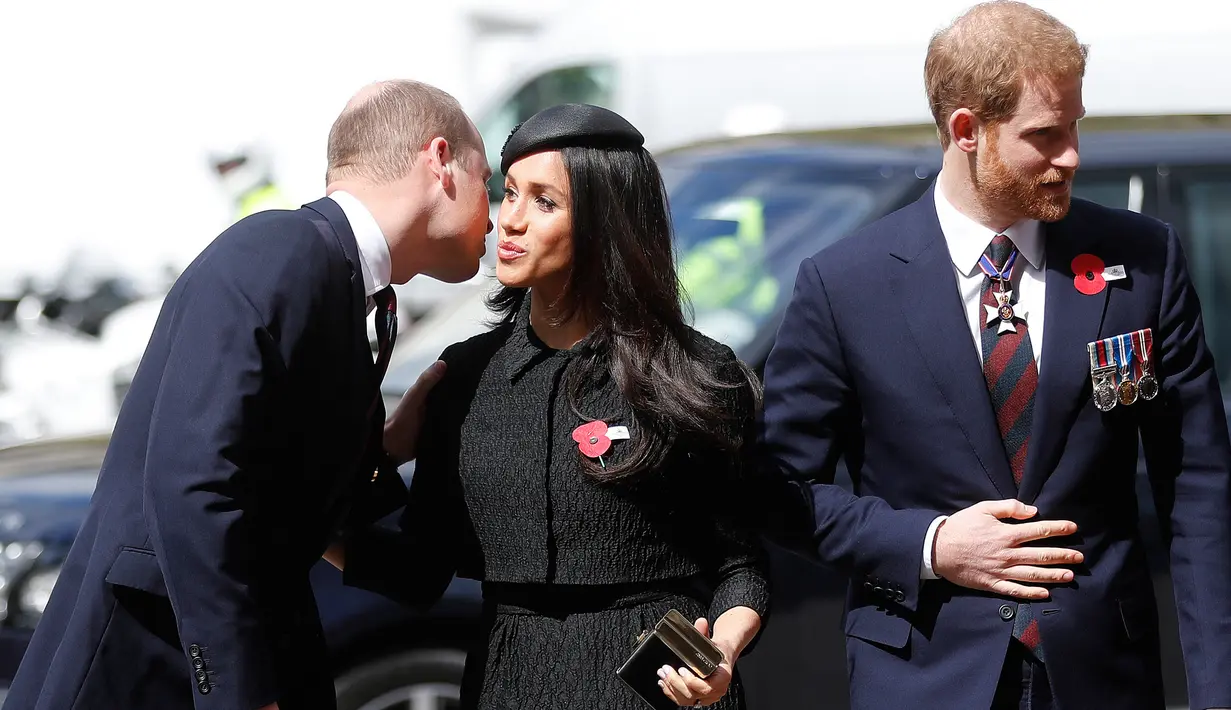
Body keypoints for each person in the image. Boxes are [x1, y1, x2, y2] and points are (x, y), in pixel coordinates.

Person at [756, 2, 1231, 709]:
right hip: (922, 673)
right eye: (1043, 135)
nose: (1070, 154)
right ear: (965, 131)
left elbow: (1196, 487)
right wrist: (930, 544)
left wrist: (1216, 689)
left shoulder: (1143, 258)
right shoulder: (844, 285)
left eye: (1074, 127)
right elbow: (779, 492)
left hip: (1101, 673)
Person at [7, 79, 494, 710]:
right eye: (492, 179)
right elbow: (193, 482)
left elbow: (284, 498)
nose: (499, 211)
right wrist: (243, 691)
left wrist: (383, 452)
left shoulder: (346, 284)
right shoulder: (282, 248)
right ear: (439, 161)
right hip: (146, 669)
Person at [328, 103, 769, 709]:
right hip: (508, 682)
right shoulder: (464, 376)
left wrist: (720, 647)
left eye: (543, 202)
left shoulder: (695, 373)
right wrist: (305, 511)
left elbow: (741, 563)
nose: (508, 221)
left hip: (656, 688)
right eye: (508, 193)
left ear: (603, 224)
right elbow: (416, 569)